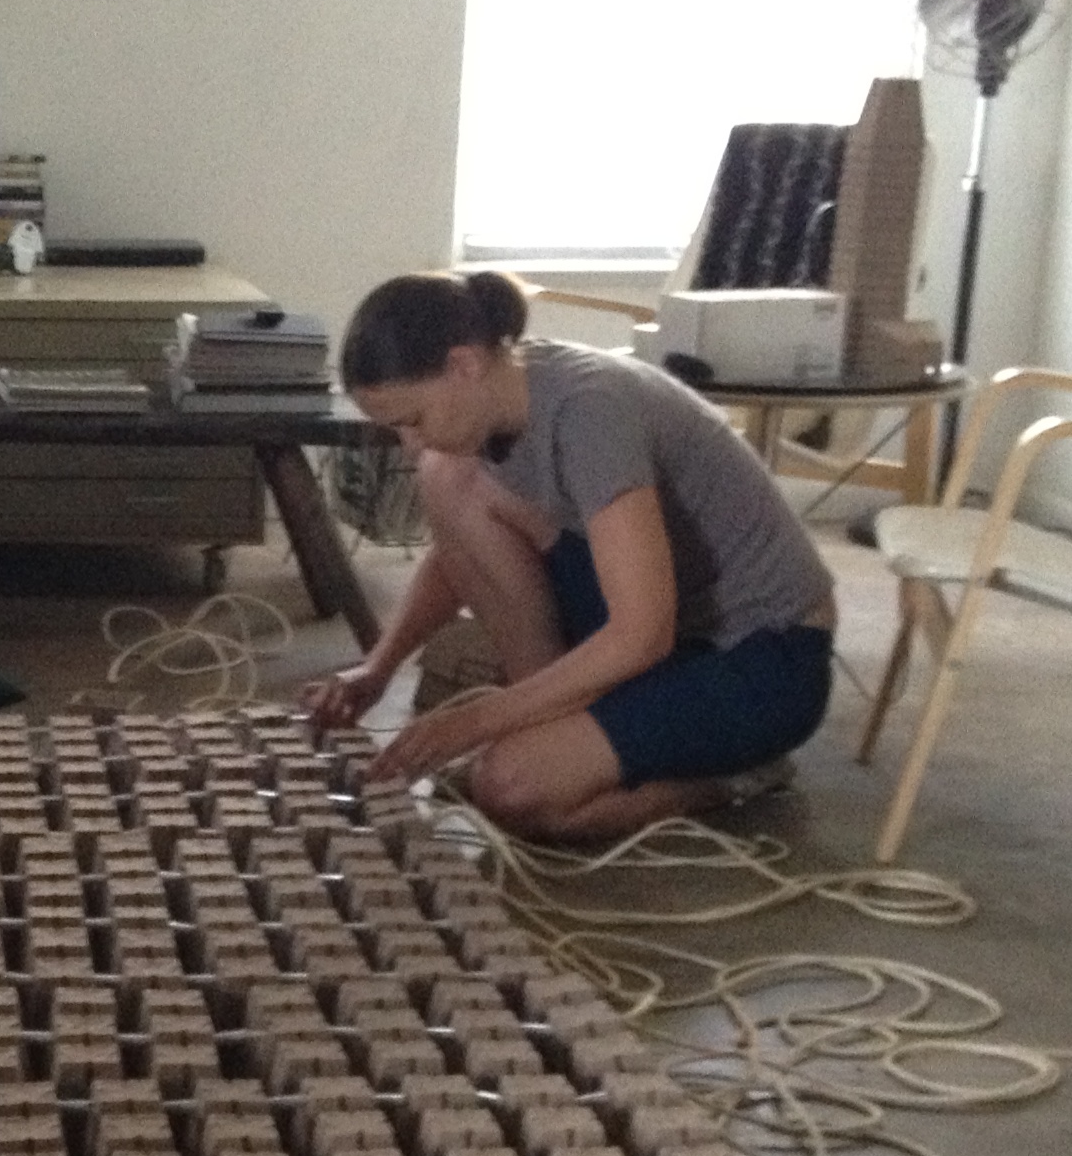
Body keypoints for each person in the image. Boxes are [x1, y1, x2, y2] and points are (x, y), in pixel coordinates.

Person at [303, 270, 837, 840]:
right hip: (678, 624)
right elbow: (458, 556)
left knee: (509, 789)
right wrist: (379, 667)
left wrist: (478, 720)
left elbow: (643, 632)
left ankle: (738, 775)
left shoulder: (589, 409)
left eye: (412, 420)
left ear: (464, 364)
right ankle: (558, 726)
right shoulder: (505, 396)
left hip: (760, 656)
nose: (409, 443)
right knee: (446, 476)